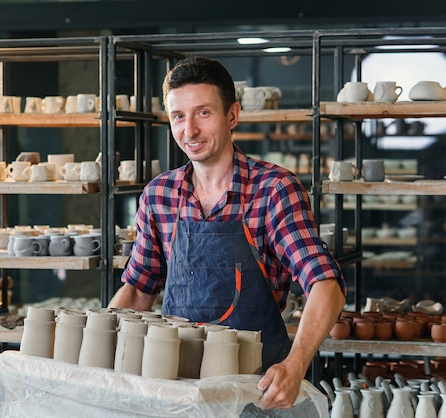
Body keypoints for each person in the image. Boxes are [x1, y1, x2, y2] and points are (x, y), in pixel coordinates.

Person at [108, 56, 347, 409]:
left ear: (232, 115)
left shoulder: (274, 189)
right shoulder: (159, 195)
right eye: (178, 116)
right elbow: (139, 290)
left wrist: (295, 366)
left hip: (255, 388)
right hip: (177, 388)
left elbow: (326, 284)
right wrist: (97, 351)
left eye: (203, 113)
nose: (189, 131)